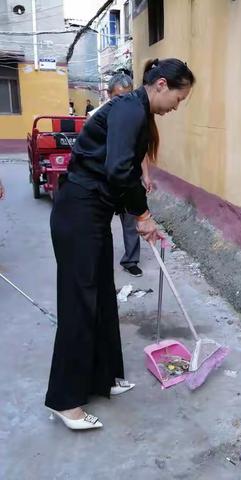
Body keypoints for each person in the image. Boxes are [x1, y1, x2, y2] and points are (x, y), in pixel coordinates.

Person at [45, 58, 195, 430]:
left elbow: (122, 169)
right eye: (178, 97)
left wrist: (141, 216)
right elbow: (118, 169)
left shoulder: (138, 112)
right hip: (78, 212)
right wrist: (142, 216)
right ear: (161, 85)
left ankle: (103, 378)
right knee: (80, 303)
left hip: (93, 213)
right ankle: (65, 401)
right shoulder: (129, 110)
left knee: (102, 299)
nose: (177, 106)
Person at [90, 73, 152, 277]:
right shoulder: (96, 116)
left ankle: (130, 259)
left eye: (127, 94)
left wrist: (146, 175)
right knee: (98, 224)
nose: (123, 99)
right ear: (108, 94)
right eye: (118, 96)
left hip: (125, 178)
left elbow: (138, 151)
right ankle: (96, 262)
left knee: (131, 219)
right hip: (103, 180)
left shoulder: (134, 114)